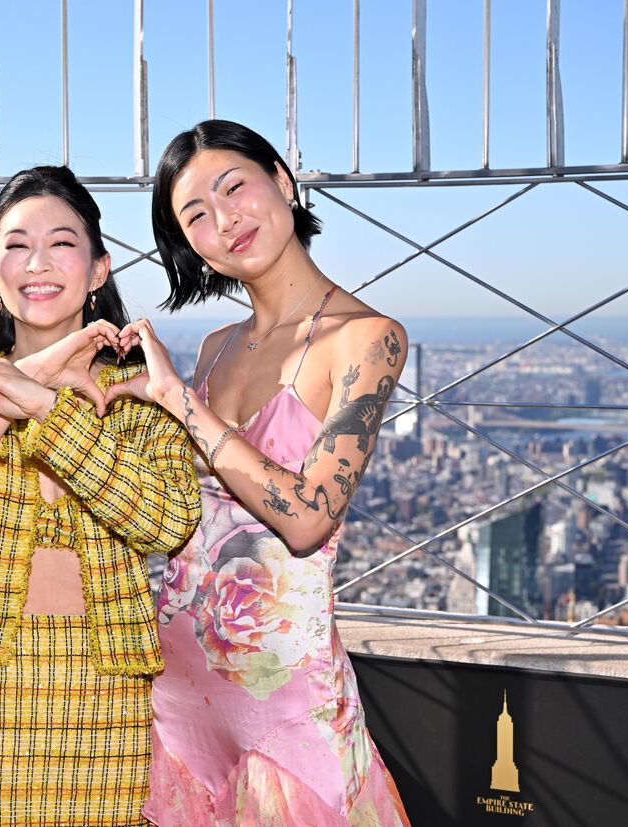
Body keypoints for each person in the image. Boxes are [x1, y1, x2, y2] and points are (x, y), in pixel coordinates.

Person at [106, 120, 411, 826]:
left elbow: (307, 518)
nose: (224, 220)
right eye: (195, 216)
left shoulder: (367, 337)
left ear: (282, 178)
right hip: (176, 694)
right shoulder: (216, 347)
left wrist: (182, 402)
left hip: (287, 703)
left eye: (233, 187)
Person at [0, 165, 201, 827]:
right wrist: (9, 396)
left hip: (106, 686)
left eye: (62, 243)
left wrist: (49, 410)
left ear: (98, 269)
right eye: (16, 244)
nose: (38, 262)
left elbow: (167, 519)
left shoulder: (145, 393)